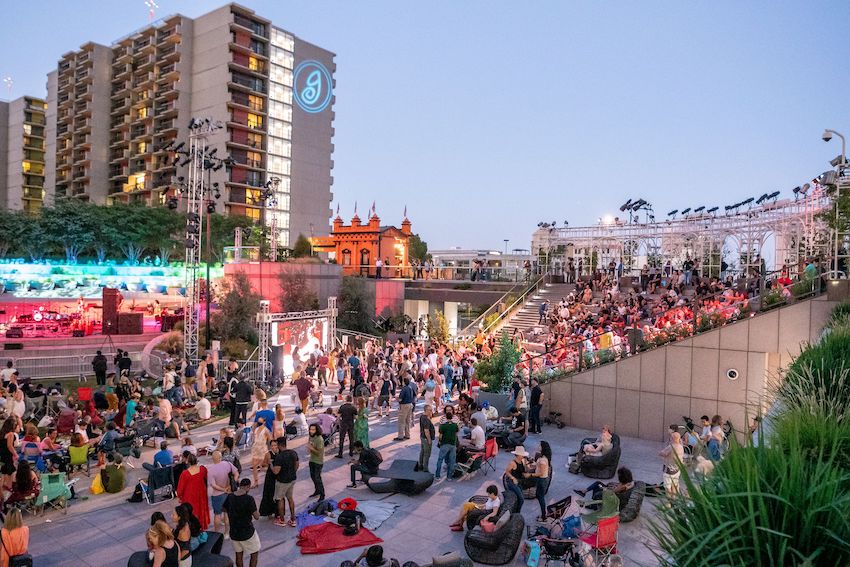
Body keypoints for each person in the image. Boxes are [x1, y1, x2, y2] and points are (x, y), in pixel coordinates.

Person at [223, 478, 260, 567]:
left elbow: (223, 508)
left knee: (238, 555)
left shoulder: (230, 496)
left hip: (234, 533)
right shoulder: (249, 499)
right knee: (254, 554)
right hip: (247, 532)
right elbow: (257, 516)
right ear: (248, 487)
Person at [207, 450, 239, 536]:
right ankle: (227, 532)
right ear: (220, 457)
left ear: (212, 459)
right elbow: (236, 473)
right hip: (229, 493)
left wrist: (223, 489)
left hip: (217, 495)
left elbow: (213, 485)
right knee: (227, 513)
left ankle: (217, 533)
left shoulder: (211, 470)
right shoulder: (227, 464)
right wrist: (231, 485)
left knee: (217, 515)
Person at [176, 453, 210, 530]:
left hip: (189, 496)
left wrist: (180, 497)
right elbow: (206, 478)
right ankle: (201, 527)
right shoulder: (202, 469)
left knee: (191, 513)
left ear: (188, 461)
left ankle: (192, 529)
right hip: (201, 494)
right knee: (200, 510)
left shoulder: (185, 473)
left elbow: (180, 489)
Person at [271, 436, 298, 527]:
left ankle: (282, 520)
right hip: (292, 479)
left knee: (280, 499)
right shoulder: (293, 453)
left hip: (282, 481)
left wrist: (271, 464)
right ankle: (293, 519)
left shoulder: (279, 457)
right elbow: (296, 466)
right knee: (290, 498)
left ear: (278, 445)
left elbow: (276, 471)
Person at [523, 441, 552, 520]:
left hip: (541, 480)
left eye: (540, 445)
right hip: (540, 479)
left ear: (543, 448)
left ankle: (543, 516)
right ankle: (543, 515)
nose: (538, 446)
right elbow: (536, 466)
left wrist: (530, 474)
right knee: (539, 497)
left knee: (540, 497)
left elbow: (541, 473)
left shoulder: (543, 460)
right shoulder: (542, 458)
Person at [435, 406, 459, 481]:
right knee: (452, 461)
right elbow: (457, 431)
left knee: (440, 459)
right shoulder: (455, 425)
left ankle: (437, 476)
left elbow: (440, 435)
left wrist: (439, 441)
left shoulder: (443, 426)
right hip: (453, 443)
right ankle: (449, 477)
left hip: (444, 443)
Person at [258, 439, 279, 518]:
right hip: (270, 476)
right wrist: (267, 464)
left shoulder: (280, 453)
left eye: (275, 445)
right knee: (269, 493)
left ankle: (277, 511)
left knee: (277, 494)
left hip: (278, 475)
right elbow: (263, 464)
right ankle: (269, 511)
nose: (274, 447)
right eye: (272, 445)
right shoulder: (268, 454)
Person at [660, 431, 685, 496]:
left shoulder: (671, 447)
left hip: (669, 471)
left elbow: (663, 453)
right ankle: (675, 501)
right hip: (677, 470)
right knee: (674, 486)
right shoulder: (681, 446)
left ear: (672, 438)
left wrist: (661, 453)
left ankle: (669, 503)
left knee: (668, 488)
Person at [503, 446, 528, 511]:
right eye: (522, 454)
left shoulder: (522, 461)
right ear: (518, 455)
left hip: (519, 481)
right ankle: (517, 512)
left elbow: (522, 471)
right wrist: (513, 478)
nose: (523, 456)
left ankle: (516, 510)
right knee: (521, 499)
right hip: (512, 482)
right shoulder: (512, 463)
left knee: (519, 497)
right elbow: (507, 472)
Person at [307, 424, 325, 500]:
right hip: (312, 460)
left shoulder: (319, 439)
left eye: (313, 429)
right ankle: (317, 490)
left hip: (318, 461)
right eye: (310, 429)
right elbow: (309, 448)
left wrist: (311, 448)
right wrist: (309, 448)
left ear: (317, 430)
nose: (311, 431)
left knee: (317, 478)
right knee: (313, 476)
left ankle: (322, 494)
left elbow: (319, 453)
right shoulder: (311, 437)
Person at [417, 404, 435, 473]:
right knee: (427, 454)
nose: (431, 412)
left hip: (422, 437)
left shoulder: (422, 416)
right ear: (426, 410)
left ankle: (420, 465)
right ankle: (425, 468)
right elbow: (426, 430)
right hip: (426, 438)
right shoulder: (426, 419)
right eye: (430, 410)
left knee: (422, 451)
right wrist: (429, 440)